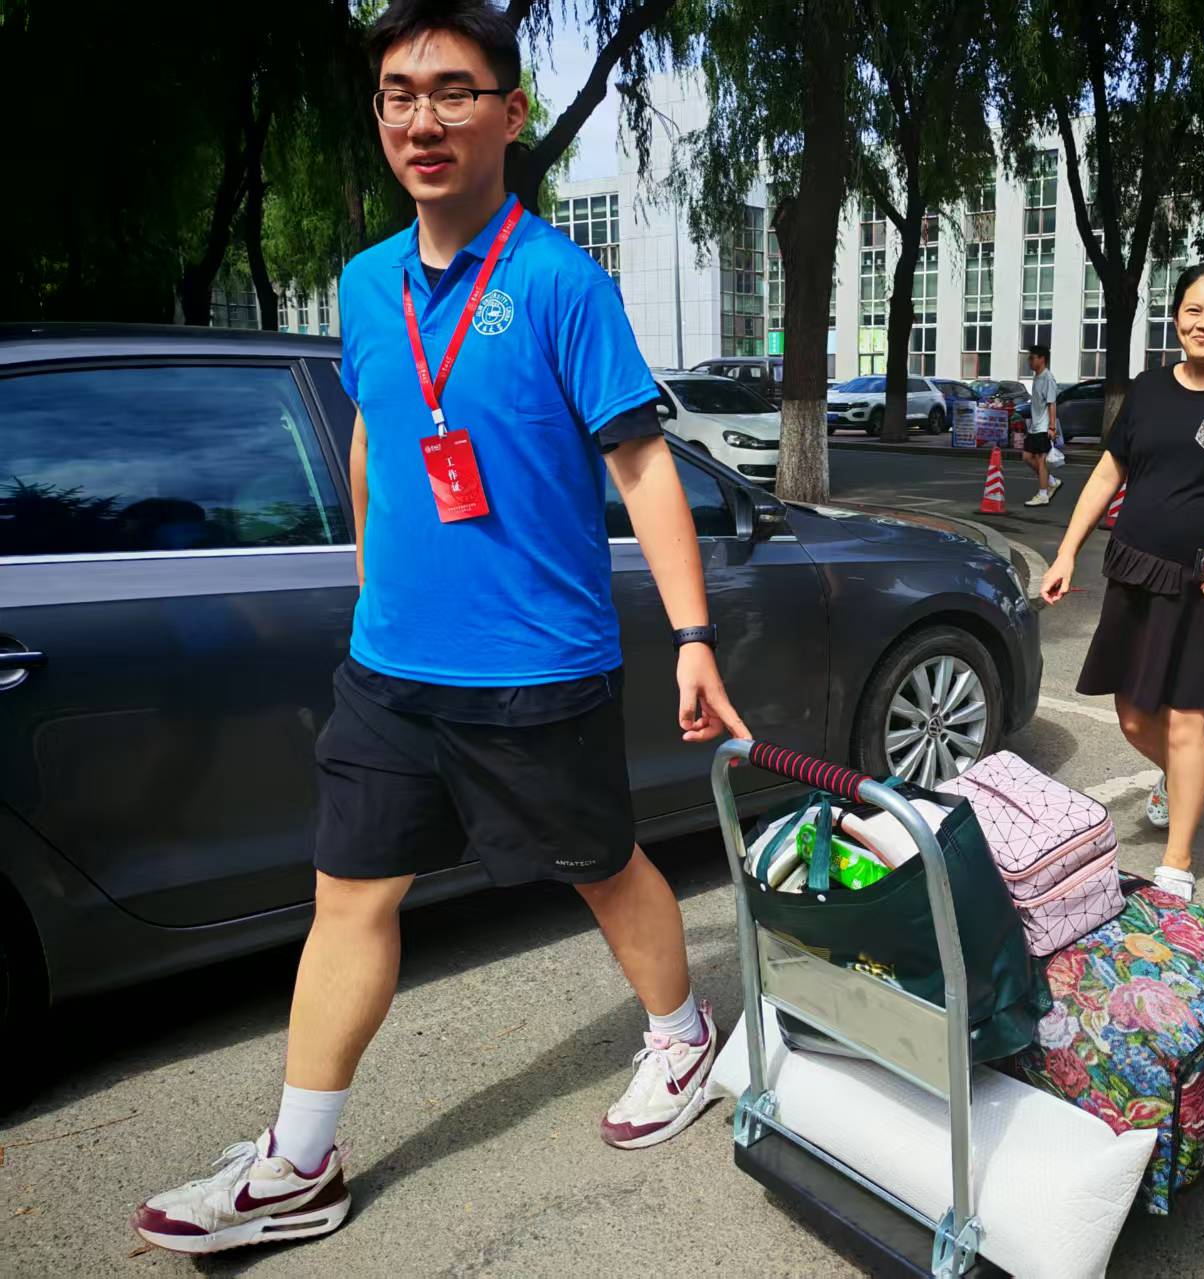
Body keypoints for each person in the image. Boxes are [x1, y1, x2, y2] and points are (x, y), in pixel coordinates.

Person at [131, 1, 749, 1254]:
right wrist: (374, 590)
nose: (424, 119)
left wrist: (692, 635)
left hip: (536, 665)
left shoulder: (561, 283)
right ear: (380, 118)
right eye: (400, 96)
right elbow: (375, 435)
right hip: (389, 672)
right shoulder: (366, 284)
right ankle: (299, 1161)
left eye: (453, 92)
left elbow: (640, 468)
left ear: (509, 115)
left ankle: (681, 1039)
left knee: (599, 863)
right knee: (349, 895)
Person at [1039, 262, 1204, 902]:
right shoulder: (1149, 390)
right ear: (1176, 316)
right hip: (1135, 569)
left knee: (1186, 722)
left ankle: (1177, 863)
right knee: (1132, 717)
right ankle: (1184, 778)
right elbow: (1108, 473)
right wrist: (1067, 552)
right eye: (1192, 310)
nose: (1203, 323)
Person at [1023, 343, 1062, 506]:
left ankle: (1043, 494)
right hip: (1035, 426)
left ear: (1042, 359)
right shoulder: (1037, 377)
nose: (1029, 361)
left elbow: (1052, 403)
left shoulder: (1047, 378)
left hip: (1044, 427)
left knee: (1041, 460)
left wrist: (1052, 427)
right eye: (1029, 358)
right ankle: (1051, 481)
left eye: (1032, 358)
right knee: (1027, 457)